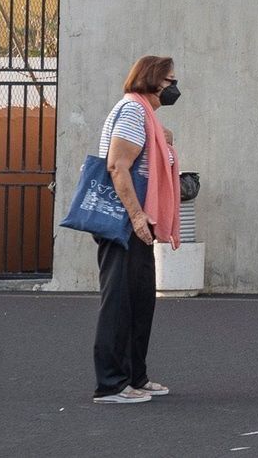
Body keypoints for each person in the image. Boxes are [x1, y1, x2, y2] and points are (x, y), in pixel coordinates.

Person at [92, 55, 182, 404]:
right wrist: (137, 216)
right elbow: (117, 165)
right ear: (152, 80)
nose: (174, 87)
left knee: (140, 300)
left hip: (138, 220)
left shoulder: (143, 114)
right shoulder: (132, 111)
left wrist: (163, 135)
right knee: (119, 301)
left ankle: (135, 377)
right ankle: (111, 385)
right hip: (125, 221)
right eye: (170, 80)